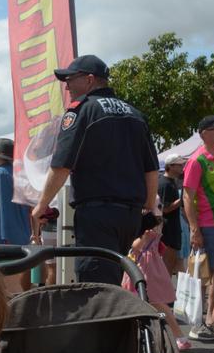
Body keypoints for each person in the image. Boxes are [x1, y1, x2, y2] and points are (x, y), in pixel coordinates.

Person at [31, 54, 159, 284]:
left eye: (70, 79)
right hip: (130, 217)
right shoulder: (136, 114)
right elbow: (151, 168)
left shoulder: (81, 110)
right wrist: (149, 206)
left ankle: (107, 321)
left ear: (89, 80)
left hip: (98, 216)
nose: (67, 85)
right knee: (115, 280)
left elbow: (62, 165)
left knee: (96, 288)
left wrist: (41, 205)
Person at [182, 115, 214, 341]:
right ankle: (196, 323)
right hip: (207, 226)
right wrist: (194, 229)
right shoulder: (197, 161)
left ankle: (212, 320)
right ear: (204, 133)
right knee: (202, 276)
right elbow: (187, 195)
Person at [122, 213, 190, 351]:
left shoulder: (145, 236)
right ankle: (174, 336)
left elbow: (135, 247)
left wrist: (142, 237)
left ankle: (178, 337)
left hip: (144, 272)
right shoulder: (155, 236)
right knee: (156, 305)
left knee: (148, 303)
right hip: (152, 270)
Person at [0, 136, 32, 290]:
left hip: (2, 235)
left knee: (2, 280)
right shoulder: (22, 174)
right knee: (23, 272)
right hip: (24, 233)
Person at [159, 154, 187, 276]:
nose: (182, 167)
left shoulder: (171, 182)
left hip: (172, 229)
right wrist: (183, 199)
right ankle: (163, 293)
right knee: (167, 265)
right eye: (180, 165)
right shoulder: (165, 183)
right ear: (170, 166)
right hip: (167, 231)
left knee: (171, 264)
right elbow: (164, 209)